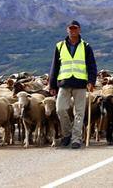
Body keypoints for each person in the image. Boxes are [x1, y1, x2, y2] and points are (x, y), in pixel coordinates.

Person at [48, 20, 97, 149]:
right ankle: (67, 134)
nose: (73, 30)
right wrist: (52, 85)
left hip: (80, 84)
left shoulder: (86, 46)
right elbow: (55, 66)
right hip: (64, 83)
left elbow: (92, 66)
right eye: (71, 28)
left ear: (79, 30)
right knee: (60, 109)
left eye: (75, 28)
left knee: (79, 113)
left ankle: (76, 138)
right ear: (67, 30)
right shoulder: (59, 46)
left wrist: (91, 81)